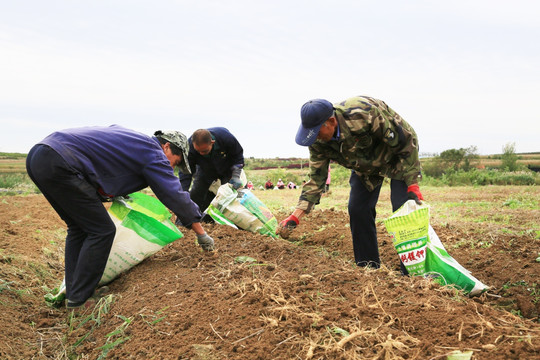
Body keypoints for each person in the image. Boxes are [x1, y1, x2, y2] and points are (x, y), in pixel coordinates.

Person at [26, 125, 215, 310]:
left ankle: (74, 293)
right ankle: (80, 299)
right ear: (166, 146)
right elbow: (174, 195)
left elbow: (107, 164)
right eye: (176, 160)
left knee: (78, 228)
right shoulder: (154, 153)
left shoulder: (135, 142)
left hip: (40, 155)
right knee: (102, 230)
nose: (172, 166)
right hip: (61, 161)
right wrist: (201, 233)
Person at [278, 96, 424, 272]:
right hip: (365, 167)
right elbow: (317, 179)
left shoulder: (363, 114)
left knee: (403, 209)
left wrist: (412, 184)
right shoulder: (318, 142)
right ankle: (368, 267)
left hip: (396, 156)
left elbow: (406, 142)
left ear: (331, 121)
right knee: (357, 208)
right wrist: (296, 216)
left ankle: (412, 271)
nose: (316, 138)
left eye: (317, 132)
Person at [179, 128, 244, 215]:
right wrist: (184, 192)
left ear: (212, 143)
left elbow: (238, 155)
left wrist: (235, 175)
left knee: (229, 195)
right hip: (204, 169)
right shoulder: (189, 148)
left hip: (226, 167)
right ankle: (187, 218)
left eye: (204, 151)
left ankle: (233, 220)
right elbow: (186, 171)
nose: (201, 153)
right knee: (196, 193)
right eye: (198, 151)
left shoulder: (225, 137)